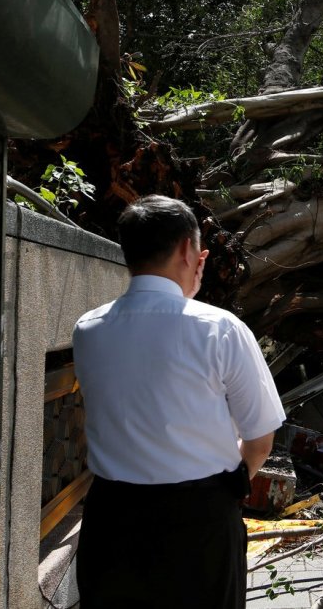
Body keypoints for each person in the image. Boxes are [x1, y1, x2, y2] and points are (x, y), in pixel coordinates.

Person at [72, 195, 285, 608]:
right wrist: (228, 486)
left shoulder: (89, 328)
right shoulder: (219, 328)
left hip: (111, 520)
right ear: (190, 250)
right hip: (200, 521)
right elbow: (261, 439)